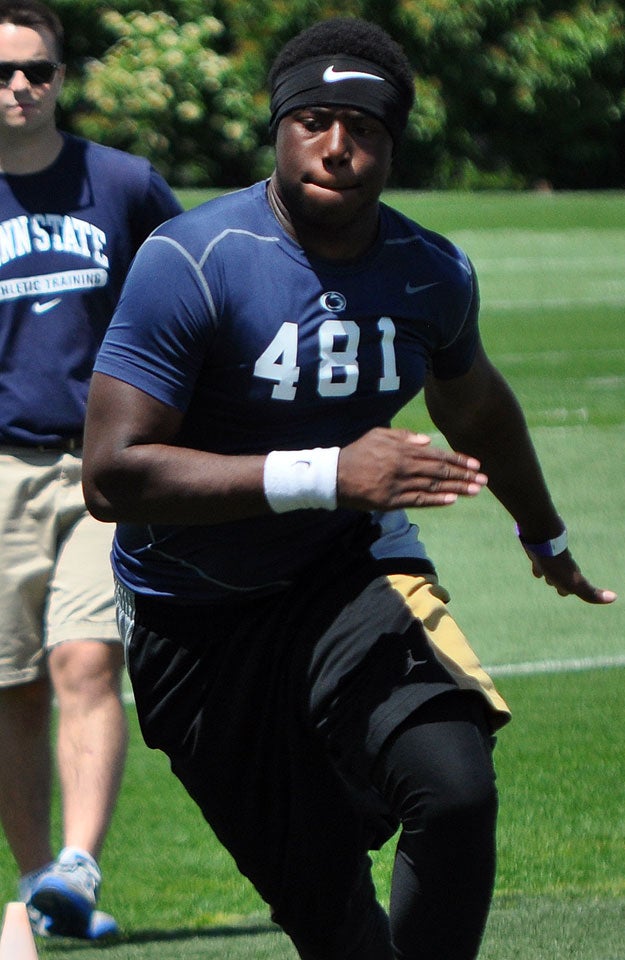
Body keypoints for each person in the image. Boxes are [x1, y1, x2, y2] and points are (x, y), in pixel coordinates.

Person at [82, 17, 616, 960]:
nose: (339, 147)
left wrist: (547, 536)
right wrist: (330, 471)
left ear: (392, 143)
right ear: (280, 131)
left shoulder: (429, 271)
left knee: (455, 787)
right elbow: (114, 477)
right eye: (315, 121)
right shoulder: (191, 261)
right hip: (194, 627)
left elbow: (477, 404)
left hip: (350, 577)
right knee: (336, 924)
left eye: (363, 127)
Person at [0, 0, 183, 941]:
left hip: (99, 470)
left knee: (84, 659)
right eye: (3, 73)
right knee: (13, 685)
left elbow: (191, 289)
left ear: (62, 79)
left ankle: (80, 859)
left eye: (37, 70)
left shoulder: (121, 183)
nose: (20, 87)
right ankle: (41, 886)